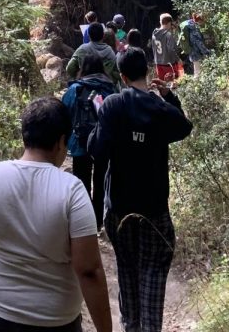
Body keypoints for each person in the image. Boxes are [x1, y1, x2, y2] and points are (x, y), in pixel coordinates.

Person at [0, 96, 113, 332]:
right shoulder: (72, 190)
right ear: (61, 142)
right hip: (57, 320)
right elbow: (88, 270)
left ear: (24, 137)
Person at [87, 48, 191, 332]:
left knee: (127, 270)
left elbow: (97, 151)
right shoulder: (159, 108)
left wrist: (100, 121)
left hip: (120, 208)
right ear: (146, 71)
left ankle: (131, 326)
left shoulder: (112, 105)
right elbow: (184, 128)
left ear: (121, 76)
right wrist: (170, 97)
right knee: (153, 273)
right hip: (155, 208)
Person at [62, 55, 116, 229]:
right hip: (104, 144)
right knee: (101, 182)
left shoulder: (75, 89)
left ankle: (84, 223)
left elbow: (65, 112)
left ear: (83, 69)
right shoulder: (110, 89)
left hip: (80, 143)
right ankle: (99, 221)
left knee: (82, 183)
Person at [66, 22, 121, 88]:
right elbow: (117, 73)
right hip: (105, 88)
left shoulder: (82, 49)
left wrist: (78, 75)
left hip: (85, 86)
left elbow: (70, 68)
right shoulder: (110, 51)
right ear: (103, 35)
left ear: (89, 36)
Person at [150, 13, 182, 83]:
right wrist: (178, 59)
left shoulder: (154, 33)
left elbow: (153, 47)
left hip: (158, 64)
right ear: (169, 23)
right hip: (169, 64)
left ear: (160, 22)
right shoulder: (168, 35)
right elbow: (171, 50)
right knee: (172, 84)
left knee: (163, 85)